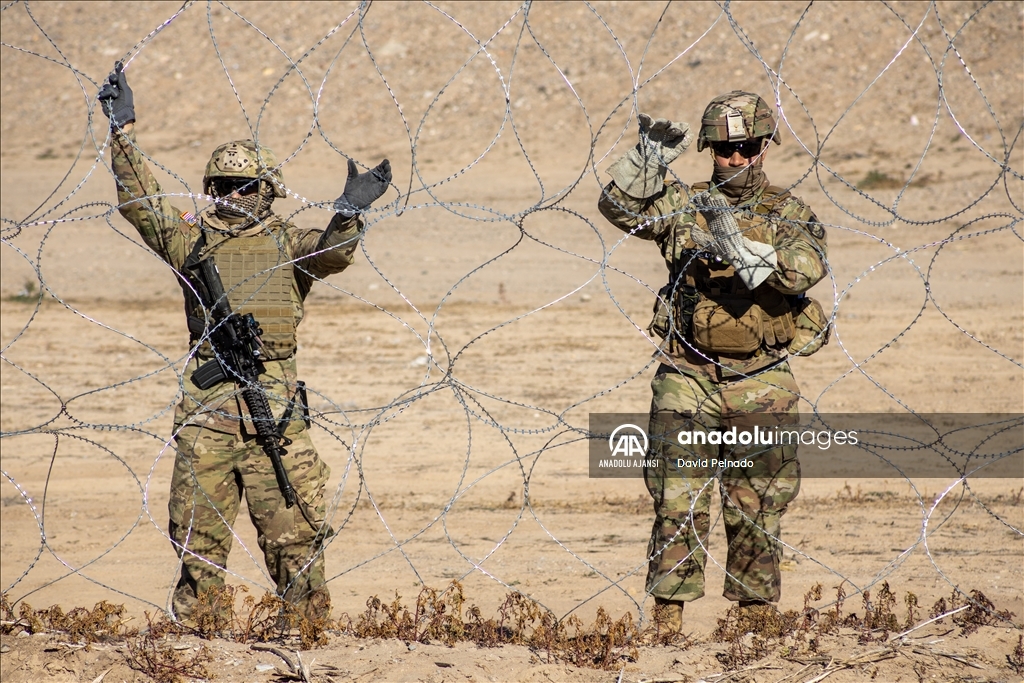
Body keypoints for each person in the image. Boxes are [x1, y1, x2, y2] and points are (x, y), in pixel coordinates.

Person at [98, 62, 391, 622]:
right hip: (208, 419)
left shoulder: (289, 243)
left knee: (296, 542)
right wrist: (122, 131)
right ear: (209, 190)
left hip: (275, 419)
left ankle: (305, 636)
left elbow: (332, 253)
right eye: (223, 187)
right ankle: (200, 644)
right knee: (198, 546)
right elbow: (143, 203)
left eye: (244, 186)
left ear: (267, 190)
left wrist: (350, 211)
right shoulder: (190, 240)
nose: (233, 195)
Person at [598, 91, 830, 633]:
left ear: (766, 147)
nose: (738, 158)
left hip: (761, 378)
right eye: (727, 148)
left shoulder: (787, 212)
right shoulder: (684, 203)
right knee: (676, 499)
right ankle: (667, 620)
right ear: (708, 149)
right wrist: (644, 165)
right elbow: (618, 210)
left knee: (757, 502)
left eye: (749, 146)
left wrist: (755, 257)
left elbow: (806, 268)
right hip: (687, 374)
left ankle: (753, 620)